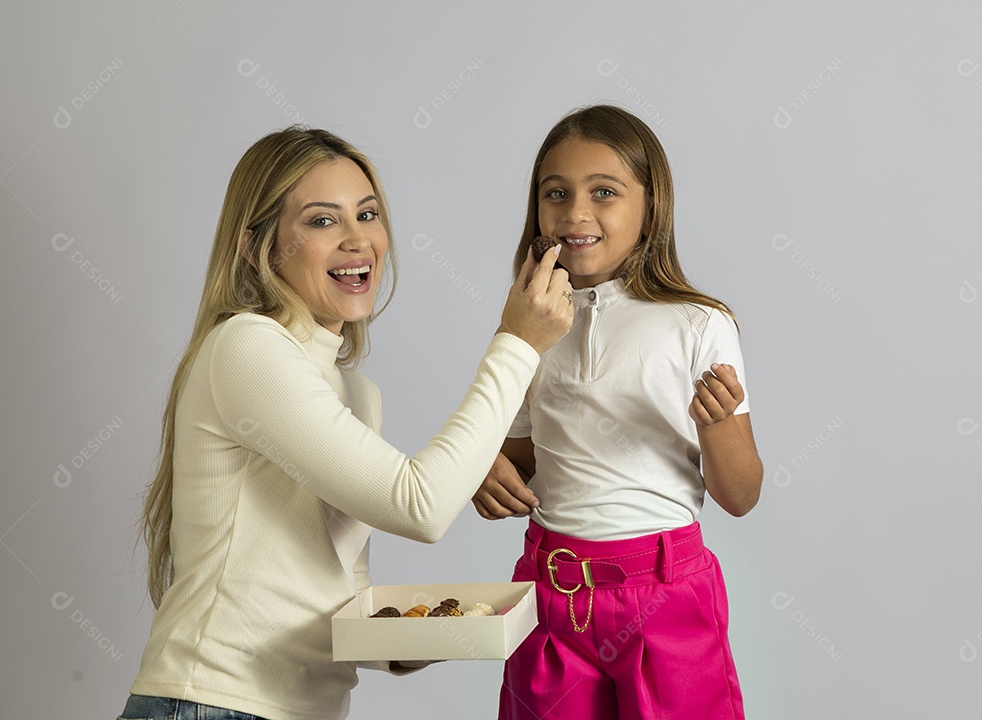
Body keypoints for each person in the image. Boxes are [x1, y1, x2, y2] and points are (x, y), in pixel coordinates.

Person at [118, 126, 573, 720]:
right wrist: (518, 344)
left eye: (368, 213)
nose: (358, 240)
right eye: (322, 221)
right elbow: (420, 504)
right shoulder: (247, 348)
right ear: (257, 246)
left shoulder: (355, 392)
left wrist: (398, 643)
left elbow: (335, 586)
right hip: (213, 702)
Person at [472, 105, 763, 720]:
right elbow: (523, 453)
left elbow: (739, 494)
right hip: (551, 596)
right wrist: (486, 466)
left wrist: (715, 427)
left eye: (604, 192)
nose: (576, 212)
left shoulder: (699, 324)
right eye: (557, 193)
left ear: (650, 207)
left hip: (668, 600)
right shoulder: (532, 321)